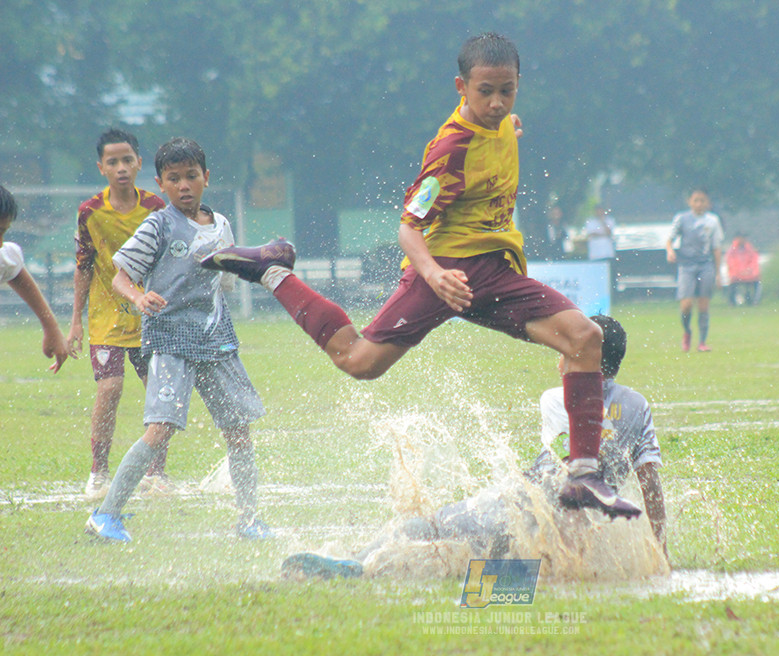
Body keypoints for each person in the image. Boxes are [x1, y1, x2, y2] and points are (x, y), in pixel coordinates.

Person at [202, 33, 640, 520]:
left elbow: (500, 125)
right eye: (486, 92)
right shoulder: (451, 148)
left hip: (495, 272)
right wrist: (433, 273)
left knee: (585, 338)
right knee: (359, 361)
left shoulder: (500, 123)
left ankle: (582, 474)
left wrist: (507, 125)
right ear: (461, 87)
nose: (497, 103)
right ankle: (273, 270)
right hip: (444, 270)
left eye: (507, 91)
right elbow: (408, 228)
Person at [281, 315, 668, 580]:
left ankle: (357, 564)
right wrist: (660, 550)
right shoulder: (638, 406)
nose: (560, 359)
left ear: (582, 355)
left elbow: (565, 475)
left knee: (431, 526)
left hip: (522, 505)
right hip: (554, 525)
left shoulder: (557, 397)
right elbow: (650, 483)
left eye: (566, 349)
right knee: (485, 558)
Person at [84, 138, 269, 543]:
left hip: (216, 339)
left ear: (206, 177)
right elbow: (121, 277)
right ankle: (105, 515)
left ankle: (249, 520)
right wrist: (138, 297)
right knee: (161, 429)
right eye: (173, 179)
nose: (184, 185)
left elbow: (226, 281)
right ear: (161, 184)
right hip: (169, 340)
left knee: (238, 430)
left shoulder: (221, 226)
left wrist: (264, 267)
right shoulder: (158, 225)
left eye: (191, 176)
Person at [68, 129, 170, 501]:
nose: (121, 167)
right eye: (113, 162)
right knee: (110, 388)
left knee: (158, 392)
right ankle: (98, 473)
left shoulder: (156, 207)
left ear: (139, 163)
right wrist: (76, 321)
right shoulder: (90, 212)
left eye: (127, 160)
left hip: (148, 317)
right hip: (105, 318)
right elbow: (83, 265)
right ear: (101, 168)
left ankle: (157, 473)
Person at [0, 184, 72, 372]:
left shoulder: (4, 256)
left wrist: (51, 328)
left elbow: (15, 271)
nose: (1, 243)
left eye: (3, 232)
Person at [665, 187, 724, 352]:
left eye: (702, 200)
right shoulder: (681, 219)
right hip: (686, 266)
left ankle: (702, 342)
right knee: (686, 305)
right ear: (689, 202)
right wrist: (670, 251)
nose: (699, 204)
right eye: (696, 200)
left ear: (708, 203)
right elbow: (669, 240)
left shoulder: (712, 221)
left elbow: (716, 248)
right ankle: (687, 331)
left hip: (705, 265)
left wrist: (718, 273)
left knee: (703, 305)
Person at [725, 234, 761, 306]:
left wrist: (749, 270)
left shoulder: (750, 249)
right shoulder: (732, 250)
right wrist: (739, 271)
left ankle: (755, 301)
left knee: (757, 282)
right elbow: (731, 262)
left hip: (749, 274)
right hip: (737, 274)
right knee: (732, 283)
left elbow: (754, 261)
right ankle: (732, 302)